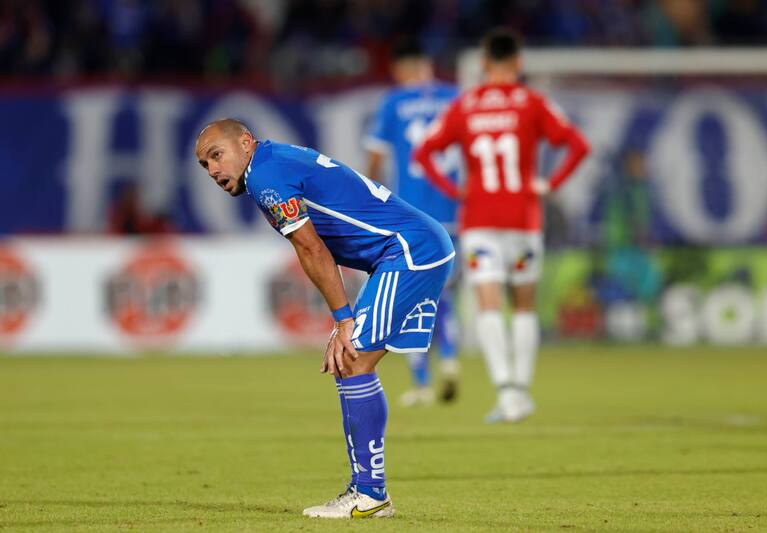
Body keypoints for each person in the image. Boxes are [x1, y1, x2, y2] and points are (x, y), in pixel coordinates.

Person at [195, 119, 454, 518]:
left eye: (217, 155)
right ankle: (368, 490)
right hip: (410, 248)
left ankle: (370, 494)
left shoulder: (265, 175)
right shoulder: (272, 161)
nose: (213, 170)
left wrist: (342, 320)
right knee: (353, 363)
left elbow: (312, 250)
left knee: (352, 360)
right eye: (204, 165)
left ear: (245, 142)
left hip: (408, 251)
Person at [413, 28, 590, 423]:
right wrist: (550, 185)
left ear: (483, 63)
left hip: (479, 221)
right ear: (518, 62)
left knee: (488, 303)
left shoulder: (466, 105)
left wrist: (454, 190)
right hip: (523, 220)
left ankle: (506, 393)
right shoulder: (532, 102)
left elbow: (423, 152)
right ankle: (521, 393)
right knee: (523, 306)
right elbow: (580, 146)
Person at [365, 37, 460, 406]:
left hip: (413, 214)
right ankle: (449, 357)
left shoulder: (394, 102)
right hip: (454, 209)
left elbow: (376, 156)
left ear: (401, 69)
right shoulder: (455, 98)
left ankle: (421, 383)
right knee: (444, 292)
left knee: (410, 294)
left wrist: (370, 200)